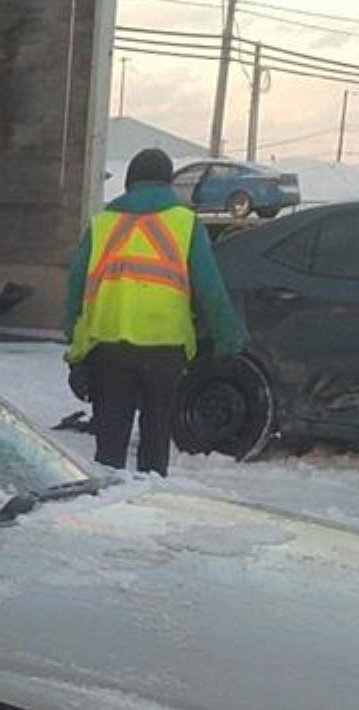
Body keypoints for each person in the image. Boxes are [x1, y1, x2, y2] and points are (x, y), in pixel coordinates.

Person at [60, 147, 243, 475]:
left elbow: (75, 288)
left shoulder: (101, 224)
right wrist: (227, 337)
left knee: (110, 443)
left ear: (130, 184)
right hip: (166, 350)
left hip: (109, 347)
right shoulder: (185, 224)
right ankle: (151, 498)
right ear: (167, 184)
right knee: (156, 437)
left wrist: (74, 344)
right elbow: (210, 288)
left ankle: (105, 508)